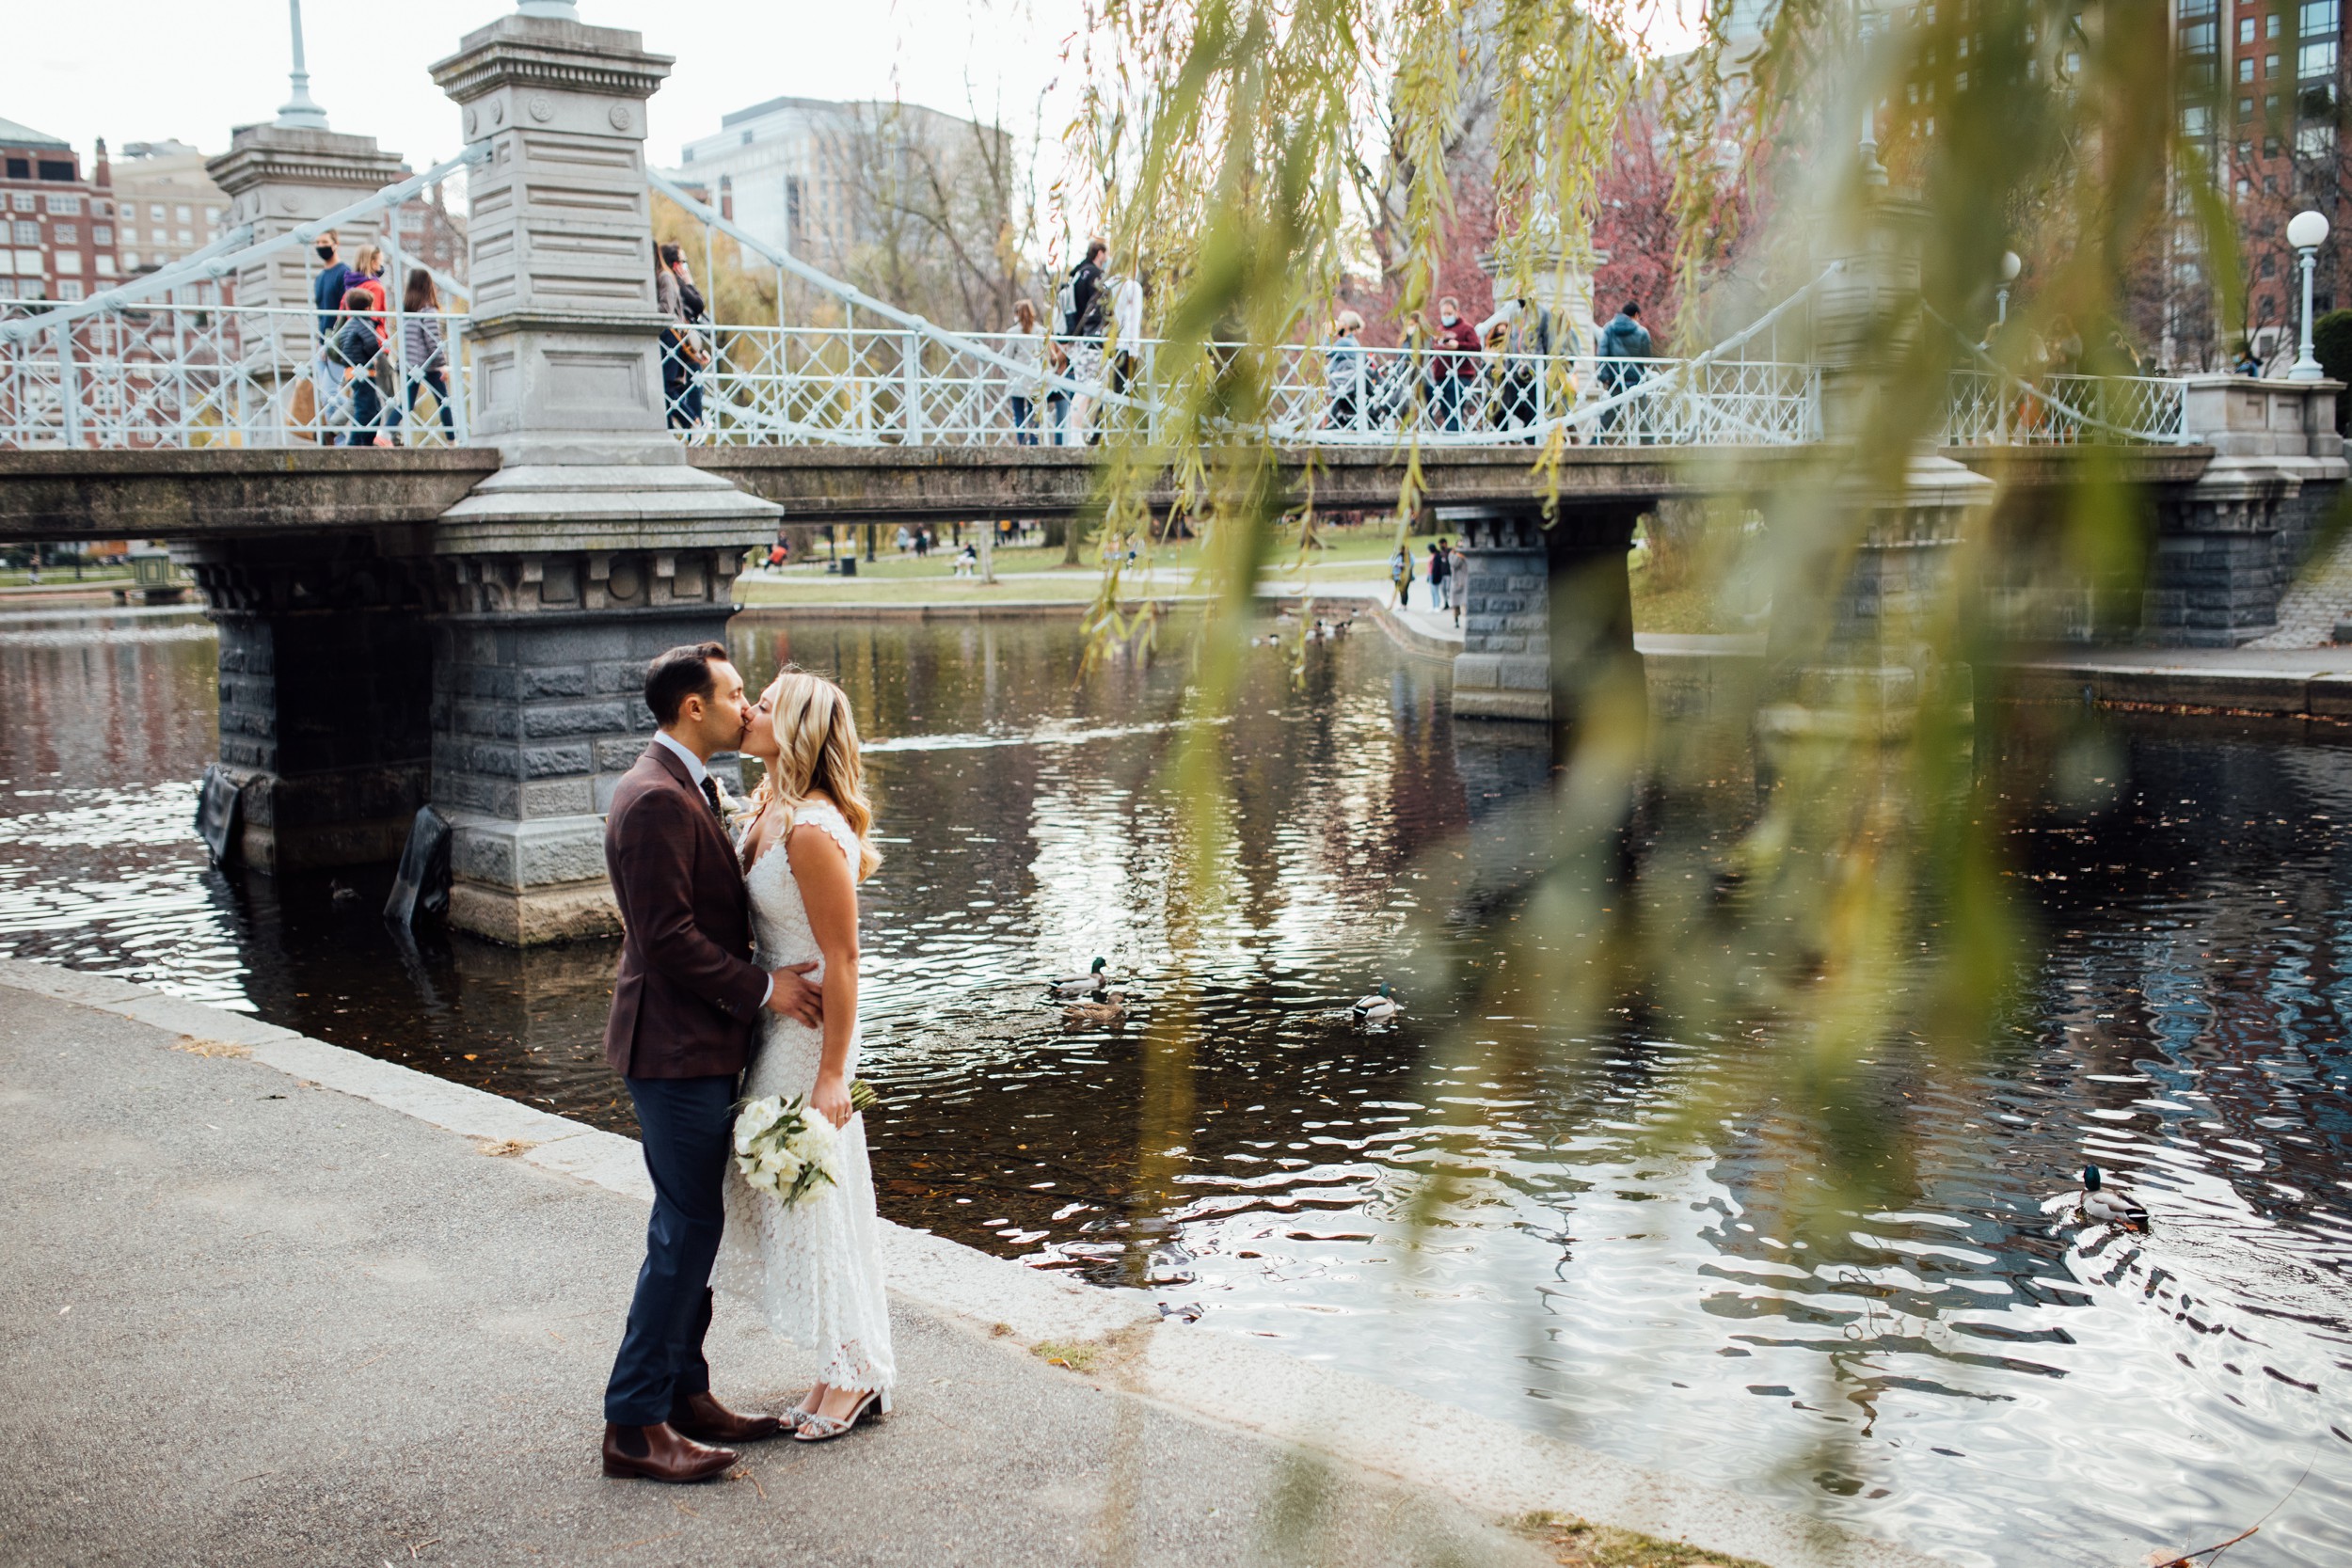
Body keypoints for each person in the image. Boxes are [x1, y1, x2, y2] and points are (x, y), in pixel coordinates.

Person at [597, 643, 826, 1483]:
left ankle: (684, 1393)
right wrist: (767, 987)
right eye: (734, 694)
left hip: (694, 1044)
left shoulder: (688, 784)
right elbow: (665, 939)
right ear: (694, 707)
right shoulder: (655, 797)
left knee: (695, 1222)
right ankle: (634, 1420)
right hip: (672, 1049)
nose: (746, 707)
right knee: (685, 1228)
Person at [723, 667, 895, 1443]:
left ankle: (854, 1376)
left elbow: (845, 958)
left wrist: (832, 1074)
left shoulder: (814, 828)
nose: (748, 712)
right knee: (798, 1194)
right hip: (778, 1022)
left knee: (810, 1191)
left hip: (812, 1036)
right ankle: (838, 1363)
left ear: (792, 727)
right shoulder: (769, 807)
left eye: (762, 706)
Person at [327, 288, 391, 447]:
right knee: (365, 410)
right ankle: (356, 443)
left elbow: (343, 345)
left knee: (373, 406)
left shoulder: (349, 324)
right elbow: (370, 343)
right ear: (367, 309)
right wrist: (376, 356)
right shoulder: (365, 324)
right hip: (365, 372)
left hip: (352, 371)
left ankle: (367, 440)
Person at [656, 241, 707, 429]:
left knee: (679, 388)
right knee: (687, 389)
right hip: (680, 343)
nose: (686, 267)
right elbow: (698, 304)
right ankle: (695, 427)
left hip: (682, 343)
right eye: (683, 262)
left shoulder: (667, 281)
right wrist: (690, 282)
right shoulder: (674, 282)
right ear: (675, 265)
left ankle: (692, 429)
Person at [400, 270, 454, 442]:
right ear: (428, 286)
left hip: (411, 363)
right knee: (444, 401)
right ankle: (453, 441)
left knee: (407, 403)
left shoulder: (406, 312)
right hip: (428, 363)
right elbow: (433, 341)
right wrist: (442, 364)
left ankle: (383, 433)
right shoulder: (428, 311)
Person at [1596, 301, 1652, 436]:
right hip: (1636, 378)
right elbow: (1647, 356)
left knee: (1610, 411)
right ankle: (1648, 440)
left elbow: (1602, 353)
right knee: (1642, 412)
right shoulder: (1642, 332)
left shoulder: (1609, 328)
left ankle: (1597, 439)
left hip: (1616, 378)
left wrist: (1604, 376)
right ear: (1636, 315)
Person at [1428, 295, 1482, 433]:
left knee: (1454, 410)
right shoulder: (1439, 329)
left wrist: (1458, 346)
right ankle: (1454, 435)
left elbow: (1476, 346)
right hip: (1440, 376)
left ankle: (1454, 437)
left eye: (1449, 313)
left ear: (1457, 312)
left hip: (1460, 375)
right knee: (1446, 412)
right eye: (1444, 314)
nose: (1446, 317)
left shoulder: (1466, 328)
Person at [1007, 299, 1048, 444]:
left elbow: (1008, 356)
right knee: (1034, 414)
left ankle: (1022, 443)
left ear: (1016, 314)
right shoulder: (1041, 331)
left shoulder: (1012, 332)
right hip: (1034, 378)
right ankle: (1034, 444)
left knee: (1018, 414)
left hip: (1017, 378)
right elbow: (1044, 355)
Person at [1324, 309, 1365, 433]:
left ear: (1346, 325)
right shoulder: (1353, 342)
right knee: (1336, 417)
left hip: (1341, 384)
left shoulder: (1345, 342)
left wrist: (1328, 334)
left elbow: (1326, 351)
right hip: (1347, 385)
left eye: (1340, 321)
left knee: (1334, 419)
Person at [1448, 538, 1469, 628]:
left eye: (1462, 546)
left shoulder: (1467, 554)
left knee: (1466, 604)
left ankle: (1468, 622)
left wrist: (1464, 556)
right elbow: (1454, 564)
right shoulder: (1452, 555)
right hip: (1456, 582)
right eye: (1459, 546)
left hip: (1466, 582)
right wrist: (1459, 556)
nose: (1461, 548)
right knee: (1456, 604)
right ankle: (1456, 621)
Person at [1427, 539, 1450, 613]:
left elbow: (1437, 567)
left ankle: (1437, 605)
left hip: (1437, 575)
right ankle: (1434, 605)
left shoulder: (1437, 555)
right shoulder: (1433, 555)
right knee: (1433, 592)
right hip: (1431, 575)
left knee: (1436, 591)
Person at [1391, 540, 1414, 609]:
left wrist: (1403, 565)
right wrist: (1396, 564)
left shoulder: (1408, 555)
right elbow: (1390, 561)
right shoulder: (1395, 555)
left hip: (1405, 576)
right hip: (1397, 576)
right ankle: (1402, 604)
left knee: (1404, 590)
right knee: (1400, 591)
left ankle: (1404, 605)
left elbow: (1411, 564)